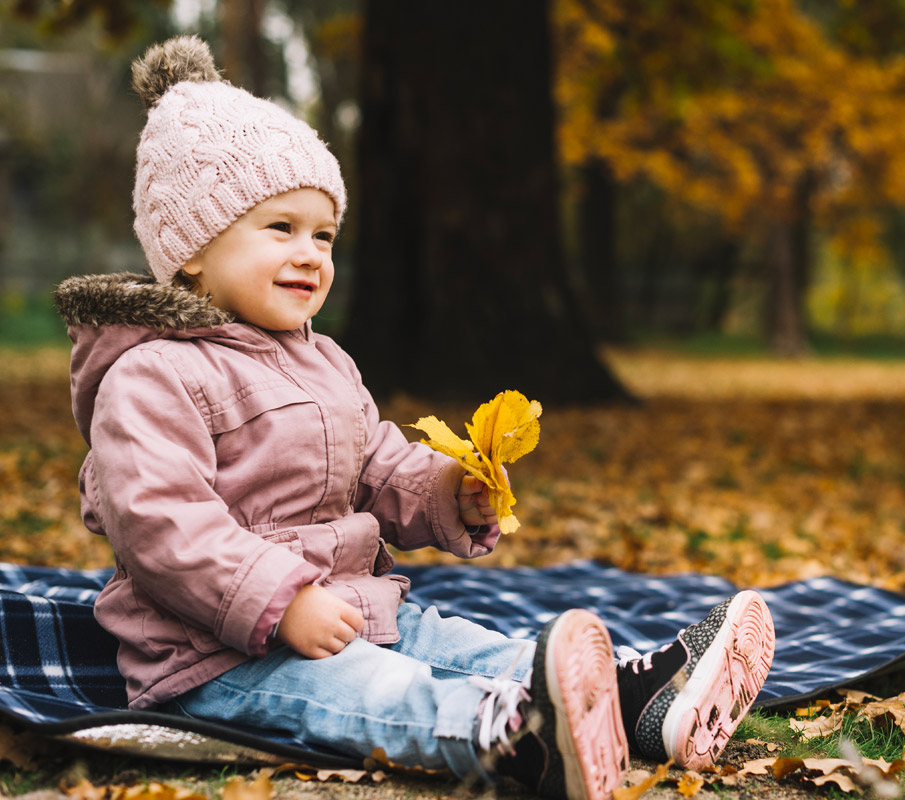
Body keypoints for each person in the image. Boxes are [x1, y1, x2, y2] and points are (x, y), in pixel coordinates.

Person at [53, 36, 775, 800]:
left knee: (462, 643)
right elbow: (164, 524)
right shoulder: (150, 376)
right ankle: (519, 743)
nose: (310, 254)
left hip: (352, 610)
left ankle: (638, 705)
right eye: (280, 229)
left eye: (324, 235)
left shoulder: (322, 360)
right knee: (378, 694)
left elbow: (376, 466)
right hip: (220, 657)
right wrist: (281, 602)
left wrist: (445, 492)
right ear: (192, 251)